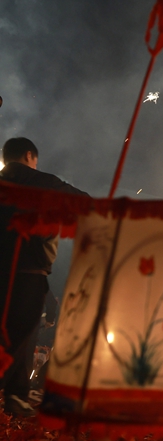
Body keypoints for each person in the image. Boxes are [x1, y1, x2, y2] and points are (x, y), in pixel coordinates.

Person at [0, 138, 87, 417]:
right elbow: (83, 203)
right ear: (29, 155)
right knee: (23, 332)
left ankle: (15, 395)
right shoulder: (45, 183)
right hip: (29, 270)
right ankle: (15, 396)